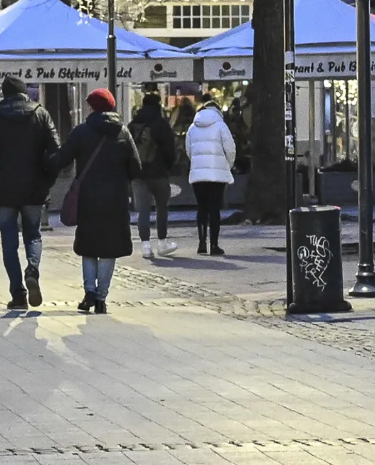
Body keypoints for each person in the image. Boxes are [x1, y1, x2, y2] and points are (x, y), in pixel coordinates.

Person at [51, 89, 140, 313]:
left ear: (91, 107)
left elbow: (62, 159)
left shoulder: (82, 132)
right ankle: (101, 299)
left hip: (89, 199)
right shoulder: (123, 133)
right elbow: (136, 168)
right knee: (109, 249)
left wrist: (42, 162)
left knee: (89, 247)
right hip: (116, 200)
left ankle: (89, 293)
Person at [0, 76, 59, 310]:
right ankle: (32, 269)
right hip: (34, 187)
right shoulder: (40, 113)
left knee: (9, 242)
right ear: (25, 92)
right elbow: (55, 150)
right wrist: (48, 181)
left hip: (4, 188)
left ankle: (18, 293)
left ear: (3, 93)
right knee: (33, 235)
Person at [185, 94, 237, 256]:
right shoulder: (221, 126)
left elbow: (189, 150)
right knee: (214, 209)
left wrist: (197, 164)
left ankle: (201, 243)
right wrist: (227, 165)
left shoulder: (192, 127)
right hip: (217, 173)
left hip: (198, 174)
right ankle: (214, 245)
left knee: (202, 208)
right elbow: (230, 149)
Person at [128, 91, 177, 259]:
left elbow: (126, 149)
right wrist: (167, 167)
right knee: (162, 208)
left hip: (138, 175)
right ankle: (162, 242)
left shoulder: (133, 124)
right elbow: (170, 150)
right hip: (159, 173)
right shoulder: (161, 124)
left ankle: (146, 246)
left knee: (142, 211)